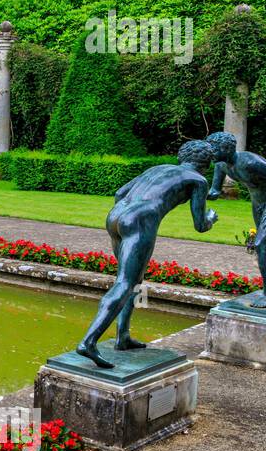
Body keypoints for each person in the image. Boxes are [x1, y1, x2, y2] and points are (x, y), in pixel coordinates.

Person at [76, 140, 219, 368]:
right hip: (141, 219)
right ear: (206, 163)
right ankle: (88, 342)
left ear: (182, 156)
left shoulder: (158, 168)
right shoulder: (198, 180)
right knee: (125, 283)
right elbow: (200, 225)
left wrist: (126, 217)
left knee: (133, 281)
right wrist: (211, 217)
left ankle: (123, 336)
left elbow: (120, 192)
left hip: (116, 216)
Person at [206, 131, 266, 307]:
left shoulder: (250, 162)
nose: (211, 153)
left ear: (226, 148)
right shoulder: (221, 164)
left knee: (261, 244)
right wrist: (194, 190)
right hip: (258, 202)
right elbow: (214, 192)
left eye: (214, 149)